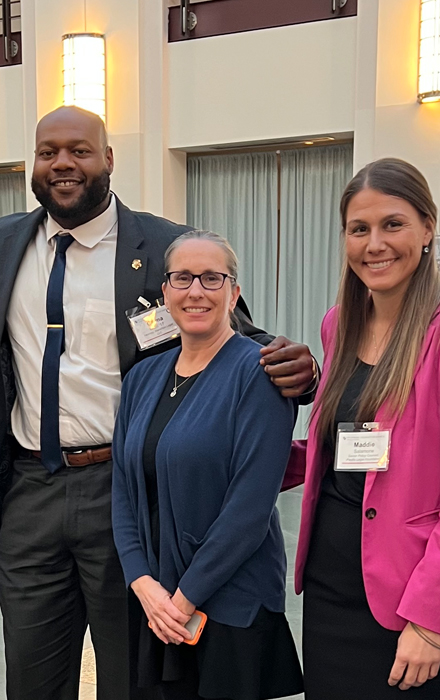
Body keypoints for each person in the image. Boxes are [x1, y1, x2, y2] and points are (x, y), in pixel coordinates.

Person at [0, 105, 317, 700]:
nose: (62, 164)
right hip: (29, 488)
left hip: (121, 491)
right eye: (48, 151)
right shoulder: (3, 241)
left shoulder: (157, 244)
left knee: (129, 672)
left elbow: (225, 325)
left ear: (108, 159)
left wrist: (298, 368)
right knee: (31, 675)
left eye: (79, 150)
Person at [282, 157, 440, 699]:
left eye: (393, 224)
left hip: (414, 593)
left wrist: (431, 618)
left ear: (428, 229)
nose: (374, 244)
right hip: (332, 583)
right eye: (359, 229)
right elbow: (336, 446)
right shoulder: (340, 323)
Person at [111, 231, 305, 700]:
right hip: (157, 599)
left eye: (211, 278)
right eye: (182, 278)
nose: (195, 291)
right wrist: (142, 584)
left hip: (226, 603)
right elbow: (122, 489)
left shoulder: (258, 375)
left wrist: (182, 600)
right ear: (165, 293)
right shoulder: (142, 378)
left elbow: (249, 509)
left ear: (234, 292)